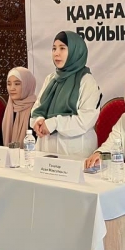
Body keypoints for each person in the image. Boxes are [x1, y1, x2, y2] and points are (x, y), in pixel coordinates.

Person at [31, 31, 101, 159]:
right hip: (45, 149)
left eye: (62, 48)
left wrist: (54, 123)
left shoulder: (86, 81)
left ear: (75, 51)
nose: (56, 53)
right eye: (54, 48)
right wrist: (38, 120)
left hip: (75, 152)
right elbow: (37, 107)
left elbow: (85, 120)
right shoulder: (51, 79)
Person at [1, 67, 37, 147]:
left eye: (17, 84)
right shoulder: (8, 108)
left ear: (28, 85)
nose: (12, 88)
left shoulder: (37, 109)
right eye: (9, 84)